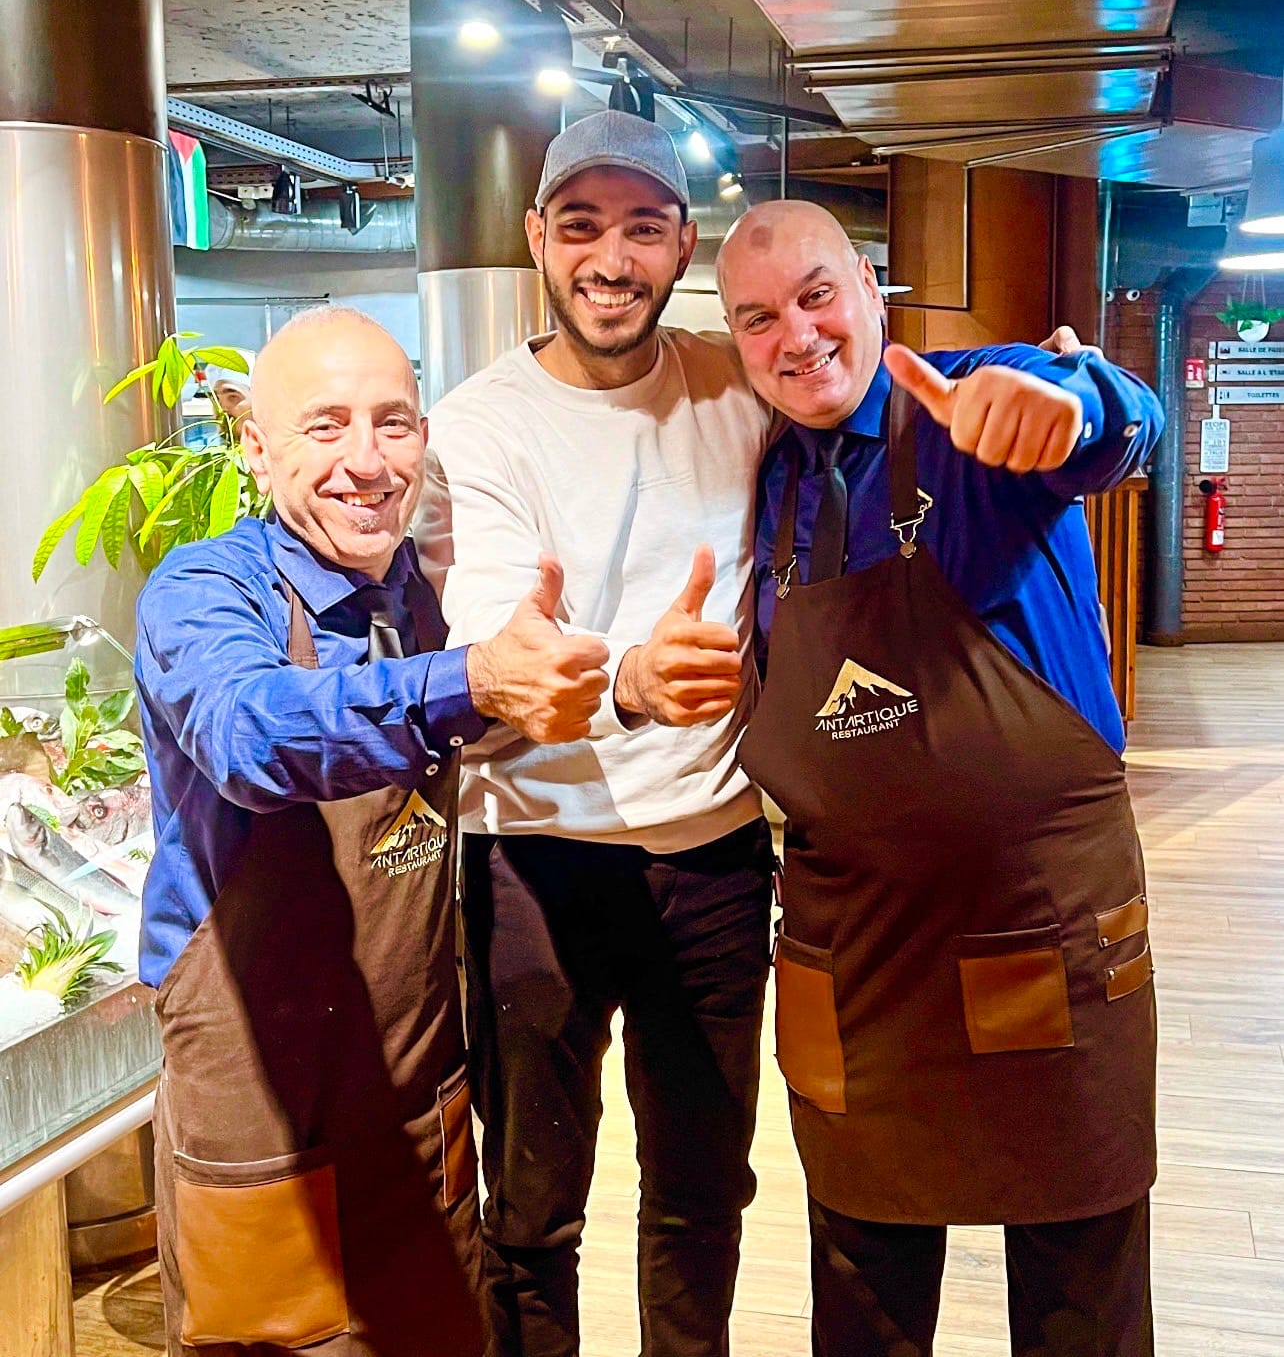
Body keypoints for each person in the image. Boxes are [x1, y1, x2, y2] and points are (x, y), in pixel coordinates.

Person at [716, 201, 1164, 1357]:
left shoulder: (968, 406)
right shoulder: (765, 484)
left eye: (817, 295)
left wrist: (1074, 408)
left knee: (1084, 1295)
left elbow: (1117, 421)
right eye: (758, 319)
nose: (796, 336)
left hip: (1042, 930)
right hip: (854, 958)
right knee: (861, 1296)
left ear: (871, 289)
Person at [135, 306, 609, 1357]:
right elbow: (250, 736)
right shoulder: (205, 591)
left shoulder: (416, 597)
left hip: (417, 1111)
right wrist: (472, 677)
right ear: (254, 447)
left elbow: (469, 726)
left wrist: (630, 692)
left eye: (394, 424)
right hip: (263, 1118)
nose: (366, 461)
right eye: (326, 426)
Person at [419, 111, 777, 1357]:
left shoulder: (738, 384)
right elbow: (505, 661)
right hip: (534, 857)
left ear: (685, 242)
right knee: (530, 1211)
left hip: (716, 858)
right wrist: (626, 681)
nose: (609, 260)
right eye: (580, 227)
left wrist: (1069, 383)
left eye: (640, 228)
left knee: (701, 1194)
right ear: (536, 240)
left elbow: (863, 366)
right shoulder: (480, 422)